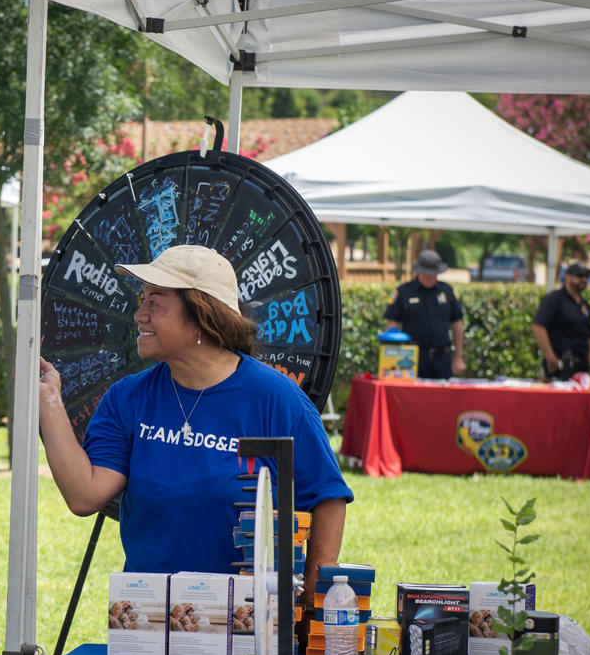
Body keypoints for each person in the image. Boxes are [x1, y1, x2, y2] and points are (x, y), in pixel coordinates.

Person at [37, 244, 352, 609]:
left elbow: (328, 497)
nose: (139, 315)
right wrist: (49, 401)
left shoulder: (275, 398)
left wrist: (313, 600)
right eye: (142, 301)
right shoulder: (127, 398)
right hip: (149, 622)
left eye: (155, 302)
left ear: (202, 314)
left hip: (249, 628)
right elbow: (84, 495)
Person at [383, 249, 465, 379]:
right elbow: (392, 325)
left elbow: (457, 325)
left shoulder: (447, 291)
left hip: (442, 358)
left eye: (434, 274)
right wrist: (392, 356)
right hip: (411, 357)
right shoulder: (404, 292)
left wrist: (458, 357)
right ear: (419, 271)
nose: (430, 277)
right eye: (427, 274)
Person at [532, 262, 590, 381]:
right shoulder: (554, 299)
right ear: (567, 277)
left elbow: (588, 333)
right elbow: (538, 327)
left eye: (586, 276)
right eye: (580, 276)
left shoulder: (583, 304)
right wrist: (550, 357)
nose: (584, 279)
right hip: (562, 365)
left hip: (582, 365)